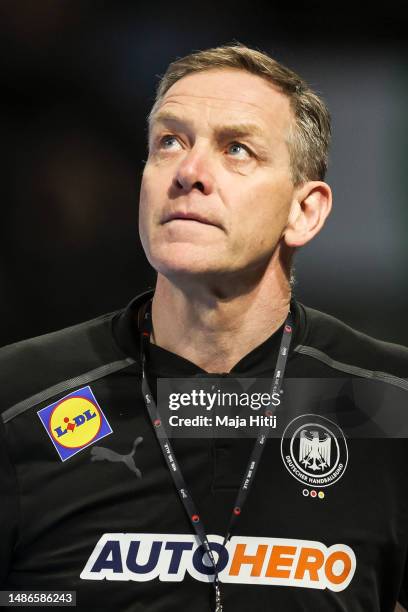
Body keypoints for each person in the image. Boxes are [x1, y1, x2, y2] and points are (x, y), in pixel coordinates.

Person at [1, 43, 407, 612]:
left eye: (236, 149)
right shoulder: (18, 398)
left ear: (304, 212)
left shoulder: (390, 403)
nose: (190, 173)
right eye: (169, 142)